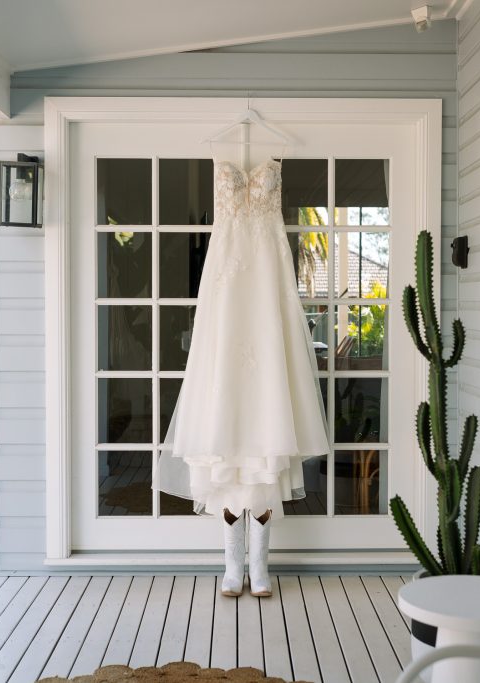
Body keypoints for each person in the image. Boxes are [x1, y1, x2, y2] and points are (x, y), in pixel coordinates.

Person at [155, 156, 328, 597]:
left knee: (267, 424)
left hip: (267, 286)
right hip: (228, 292)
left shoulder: (276, 169)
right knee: (224, 428)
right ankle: (233, 567)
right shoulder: (219, 162)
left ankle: (260, 566)